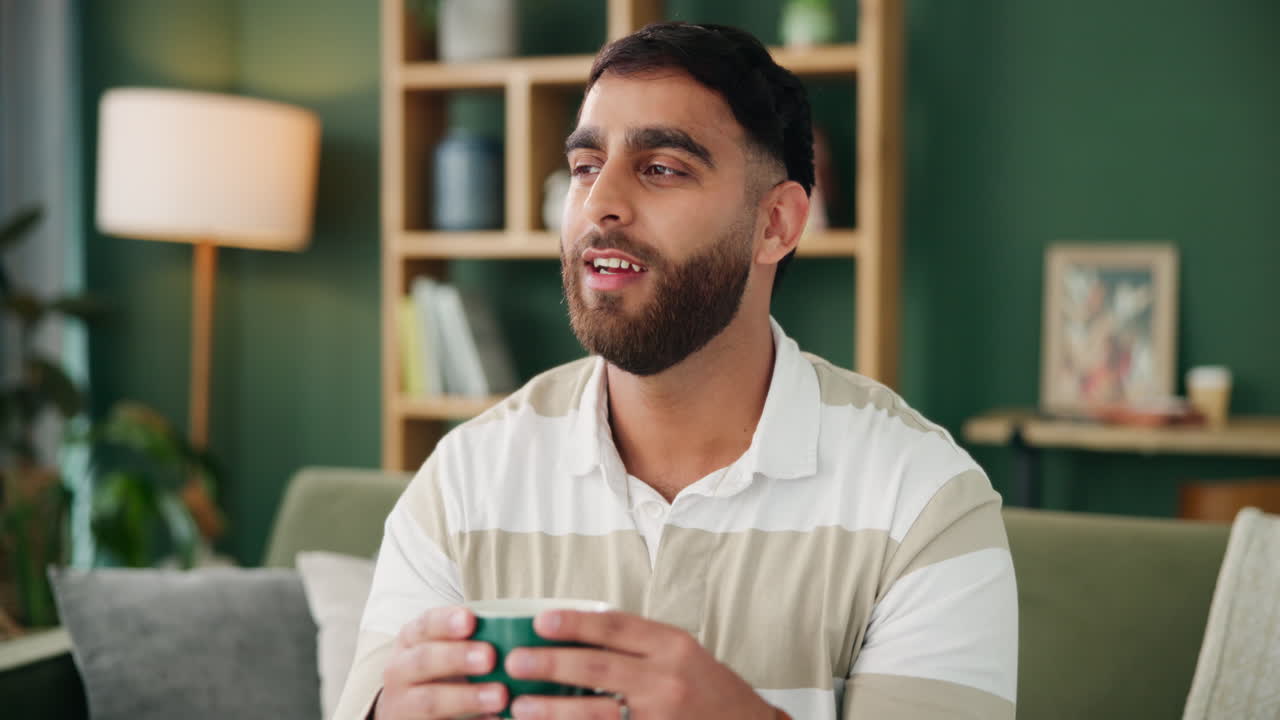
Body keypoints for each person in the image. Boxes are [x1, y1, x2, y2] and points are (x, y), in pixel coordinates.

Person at [336, 21, 1017, 720]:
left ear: (776, 224)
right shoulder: (463, 482)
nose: (601, 202)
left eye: (662, 167)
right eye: (585, 166)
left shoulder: (926, 503)